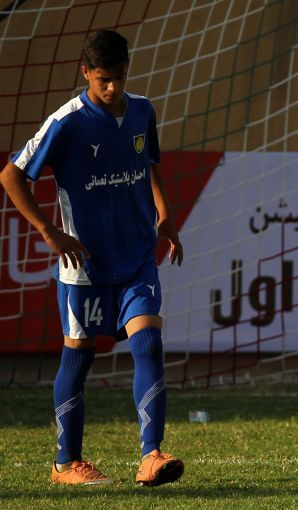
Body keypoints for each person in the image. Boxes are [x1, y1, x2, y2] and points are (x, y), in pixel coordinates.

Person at [0, 29, 185, 486]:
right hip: (85, 266)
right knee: (79, 358)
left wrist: (164, 215)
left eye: (120, 76)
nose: (114, 87)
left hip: (137, 256)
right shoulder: (67, 122)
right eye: (104, 79)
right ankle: (66, 464)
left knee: (149, 343)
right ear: (85, 72)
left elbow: (150, 164)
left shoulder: (142, 110)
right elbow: (10, 176)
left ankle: (151, 455)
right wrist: (49, 232)